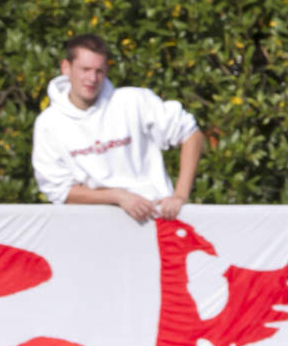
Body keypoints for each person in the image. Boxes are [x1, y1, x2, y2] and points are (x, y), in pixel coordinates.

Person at [32, 33, 205, 223]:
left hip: (156, 220)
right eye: (85, 69)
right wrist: (118, 196)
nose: (92, 78)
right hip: (92, 227)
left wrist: (180, 196)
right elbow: (59, 191)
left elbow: (191, 135)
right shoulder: (48, 124)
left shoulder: (134, 101)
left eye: (99, 71)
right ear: (66, 67)